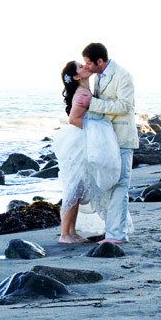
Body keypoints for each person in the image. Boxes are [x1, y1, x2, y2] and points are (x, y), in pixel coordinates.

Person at [53, 60, 122, 244]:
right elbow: (73, 119)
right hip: (78, 143)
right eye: (80, 67)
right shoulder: (82, 92)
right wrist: (98, 130)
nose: (85, 66)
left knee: (78, 189)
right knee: (73, 188)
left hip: (82, 141)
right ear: (76, 76)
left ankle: (71, 232)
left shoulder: (86, 90)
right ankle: (65, 234)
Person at [76, 42, 137, 244]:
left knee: (120, 184)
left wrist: (92, 103)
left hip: (122, 138)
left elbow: (125, 106)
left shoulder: (123, 75)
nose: (87, 67)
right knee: (108, 184)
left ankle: (117, 235)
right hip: (106, 139)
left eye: (88, 63)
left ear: (100, 61)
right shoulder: (98, 77)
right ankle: (111, 231)